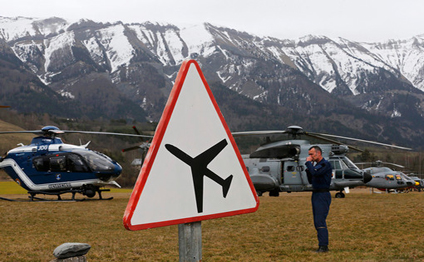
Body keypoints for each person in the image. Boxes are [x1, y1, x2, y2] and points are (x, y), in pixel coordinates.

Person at [305, 146, 332, 253]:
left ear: (319, 153)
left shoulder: (325, 164)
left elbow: (316, 173)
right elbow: (311, 180)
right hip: (316, 194)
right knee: (317, 221)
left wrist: (308, 164)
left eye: (312, 154)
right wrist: (309, 168)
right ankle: (322, 244)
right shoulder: (317, 166)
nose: (310, 157)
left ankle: (323, 246)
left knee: (320, 221)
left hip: (322, 194)